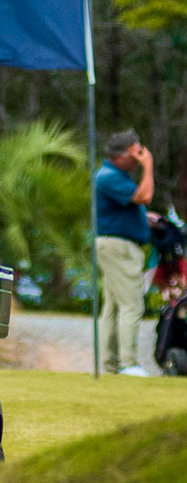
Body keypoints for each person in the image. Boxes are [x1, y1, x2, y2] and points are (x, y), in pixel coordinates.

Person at [95, 129, 155, 377]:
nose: (139, 157)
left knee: (113, 307)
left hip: (115, 245)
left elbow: (130, 205)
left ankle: (110, 365)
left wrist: (144, 219)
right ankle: (128, 363)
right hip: (118, 247)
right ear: (121, 155)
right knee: (132, 304)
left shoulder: (115, 176)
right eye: (136, 152)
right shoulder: (109, 176)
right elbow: (145, 195)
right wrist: (148, 165)